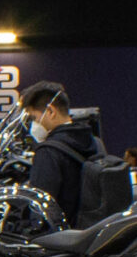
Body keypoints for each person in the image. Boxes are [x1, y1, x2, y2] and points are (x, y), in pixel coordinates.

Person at [21, 81, 99, 225]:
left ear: (50, 111)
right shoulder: (91, 140)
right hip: (88, 228)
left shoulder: (48, 152)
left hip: (62, 234)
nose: (33, 125)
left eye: (34, 118)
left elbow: (40, 212)